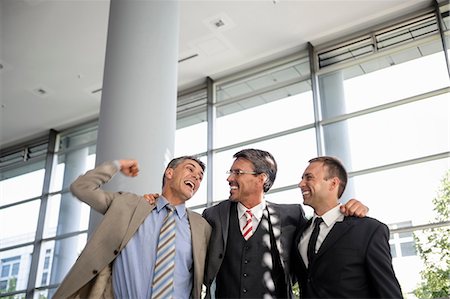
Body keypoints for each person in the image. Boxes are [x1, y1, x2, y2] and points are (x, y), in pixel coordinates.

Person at [201, 149, 368, 298]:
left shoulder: (291, 216)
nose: (230, 178)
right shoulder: (214, 215)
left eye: (238, 172)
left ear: (261, 178)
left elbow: (321, 239)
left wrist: (348, 210)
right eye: (231, 172)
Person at [53, 157, 212, 299]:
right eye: (190, 169)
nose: (196, 178)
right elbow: (81, 187)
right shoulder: (128, 206)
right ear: (169, 173)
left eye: (200, 177)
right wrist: (117, 165)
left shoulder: (202, 227)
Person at [292, 156, 402, 298]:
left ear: (333, 183)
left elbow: (388, 292)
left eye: (309, 178)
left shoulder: (368, 230)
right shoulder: (300, 232)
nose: (301, 184)